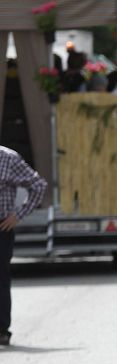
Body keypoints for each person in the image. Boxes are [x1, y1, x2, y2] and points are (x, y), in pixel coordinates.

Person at [0, 146, 47, 346]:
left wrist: (17, 215)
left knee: (0, 280)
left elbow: (38, 185)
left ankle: (2, 330)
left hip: (1, 228)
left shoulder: (8, 159)